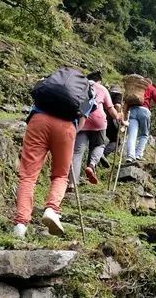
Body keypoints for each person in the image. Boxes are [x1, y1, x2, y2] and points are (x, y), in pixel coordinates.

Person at [13, 68, 95, 239]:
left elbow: (35, 95)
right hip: (66, 128)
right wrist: (72, 133)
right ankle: (52, 209)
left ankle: (21, 225)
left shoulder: (50, 81)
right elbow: (83, 119)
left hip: (38, 121)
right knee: (60, 175)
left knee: (28, 176)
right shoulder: (87, 91)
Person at [70, 71, 125, 186]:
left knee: (77, 152)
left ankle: (72, 183)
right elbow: (111, 111)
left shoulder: (80, 85)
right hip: (98, 121)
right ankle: (91, 165)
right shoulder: (102, 88)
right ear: (99, 80)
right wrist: (120, 117)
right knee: (99, 145)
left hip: (81, 120)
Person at [125, 77, 156, 164]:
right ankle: (138, 155)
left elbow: (127, 101)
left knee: (132, 135)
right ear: (150, 82)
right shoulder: (151, 87)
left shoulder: (135, 87)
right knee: (144, 135)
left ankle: (130, 156)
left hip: (132, 111)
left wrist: (125, 115)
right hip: (144, 111)